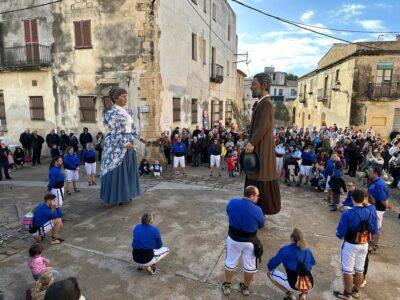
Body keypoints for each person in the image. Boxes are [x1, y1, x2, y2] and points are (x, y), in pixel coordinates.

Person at [100, 87, 145, 205]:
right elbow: (114, 132)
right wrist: (124, 143)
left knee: (129, 170)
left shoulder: (129, 112)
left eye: (126, 96)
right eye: (123, 96)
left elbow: (132, 129)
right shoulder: (110, 114)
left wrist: (141, 138)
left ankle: (127, 194)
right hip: (117, 147)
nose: (126, 98)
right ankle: (117, 197)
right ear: (116, 98)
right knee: (119, 172)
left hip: (129, 144)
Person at [245, 73, 281, 215]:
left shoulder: (266, 104)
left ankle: (258, 212)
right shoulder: (262, 103)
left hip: (261, 149)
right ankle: (253, 210)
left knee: (260, 174)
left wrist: (252, 142)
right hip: (259, 148)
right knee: (255, 175)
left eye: (254, 84)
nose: (252, 88)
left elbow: (264, 125)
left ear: (264, 86)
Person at [334, 189, 377, 299]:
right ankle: (356, 291)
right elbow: (374, 229)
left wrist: (338, 234)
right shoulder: (370, 211)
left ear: (352, 199)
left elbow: (341, 233)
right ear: (364, 199)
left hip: (350, 244)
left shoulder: (348, 213)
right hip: (364, 244)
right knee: (360, 269)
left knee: (348, 270)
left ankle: (347, 294)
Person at [222, 186, 265, 296]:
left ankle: (227, 287)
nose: (258, 198)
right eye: (257, 196)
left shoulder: (232, 202)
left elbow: (228, 213)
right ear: (251, 196)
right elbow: (260, 225)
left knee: (230, 262)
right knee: (250, 266)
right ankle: (246, 288)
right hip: (250, 242)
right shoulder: (258, 209)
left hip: (233, 239)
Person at [267, 228, 316, 300]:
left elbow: (271, 265)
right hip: (309, 284)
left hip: (293, 284)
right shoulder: (307, 250)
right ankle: (303, 295)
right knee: (307, 270)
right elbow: (312, 263)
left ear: (292, 238)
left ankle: (291, 296)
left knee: (269, 273)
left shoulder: (285, 250)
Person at [368, 167, 392, 254]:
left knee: (376, 227)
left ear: (375, 173)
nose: (369, 173)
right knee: (372, 225)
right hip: (373, 207)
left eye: (370, 172)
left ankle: (375, 247)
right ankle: (371, 242)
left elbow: (383, 199)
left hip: (378, 209)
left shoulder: (379, 184)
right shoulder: (375, 182)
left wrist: (389, 206)